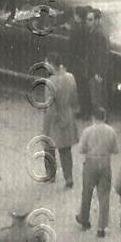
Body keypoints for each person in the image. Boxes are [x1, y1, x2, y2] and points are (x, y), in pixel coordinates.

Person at [75, 105, 120, 237]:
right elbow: (115, 150)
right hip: (105, 163)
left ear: (94, 118)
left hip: (90, 162)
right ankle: (101, 227)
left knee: (87, 192)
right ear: (105, 117)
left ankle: (84, 219)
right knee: (104, 196)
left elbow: (81, 149)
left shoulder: (87, 131)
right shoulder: (111, 131)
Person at [39, 51, 78, 186]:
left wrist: (54, 120)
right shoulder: (71, 77)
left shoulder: (50, 82)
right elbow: (74, 98)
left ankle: (50, 175)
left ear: (51, 64)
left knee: (49, 147)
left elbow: (50, 105)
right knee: (66, 149)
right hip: (67, 114)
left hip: (53, 119)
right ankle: (69, 177)